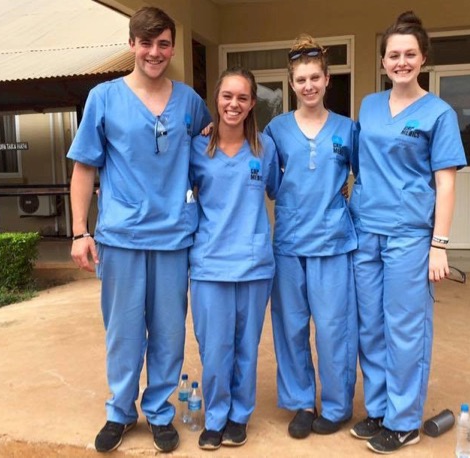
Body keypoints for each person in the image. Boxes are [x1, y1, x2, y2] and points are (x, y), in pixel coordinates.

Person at [67, 6, 211, 454]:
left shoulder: (189, 101)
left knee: (169, 331)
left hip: (173, 237)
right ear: (132, 44)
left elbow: (212, 154)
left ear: (171, 47)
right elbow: (84, 167)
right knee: (124, 331)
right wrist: (79, 232)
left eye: (163, 44)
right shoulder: (104, 98)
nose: (154, 52)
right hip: (121, 236)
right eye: (146, 43)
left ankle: (161, 411)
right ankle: (120, 411)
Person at [348, 11, 467, 454]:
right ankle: (378, 408)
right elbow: (360, 165)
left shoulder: (439, 114)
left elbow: (446, 182)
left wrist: (439, 244)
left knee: (405, 328)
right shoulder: (369, 106)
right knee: (371, 326)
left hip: (410, 236)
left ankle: (403, 420)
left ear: (423, 60)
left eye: (409, 54)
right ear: (382, 62)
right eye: (393, 55)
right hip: (367, 231)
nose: (401, 62)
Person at [263, 35, 358, 439]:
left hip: (334, 243)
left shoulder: (347, 129)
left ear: (327, 78)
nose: (308, 86)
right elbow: (267, 183)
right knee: (291, 327)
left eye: (315, 77)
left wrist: (345, 207)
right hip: (288, 244)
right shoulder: (276, 129)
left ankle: (336, 406)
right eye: (300, 79)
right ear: (291, 82)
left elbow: (366, 179)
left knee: (336, 327)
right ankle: (302, 401)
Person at [188, 66, 279, 450]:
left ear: (252, 103)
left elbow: (276, 190)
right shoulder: (196, 149)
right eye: (227, 96)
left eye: (242, 97)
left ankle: (239, 416)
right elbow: (181, 195)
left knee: (246, 344)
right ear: (216, 100)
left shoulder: (265, 148)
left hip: (255, 263)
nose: (234, 104)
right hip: (210, 263)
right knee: (214, 347)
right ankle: (215, 417)